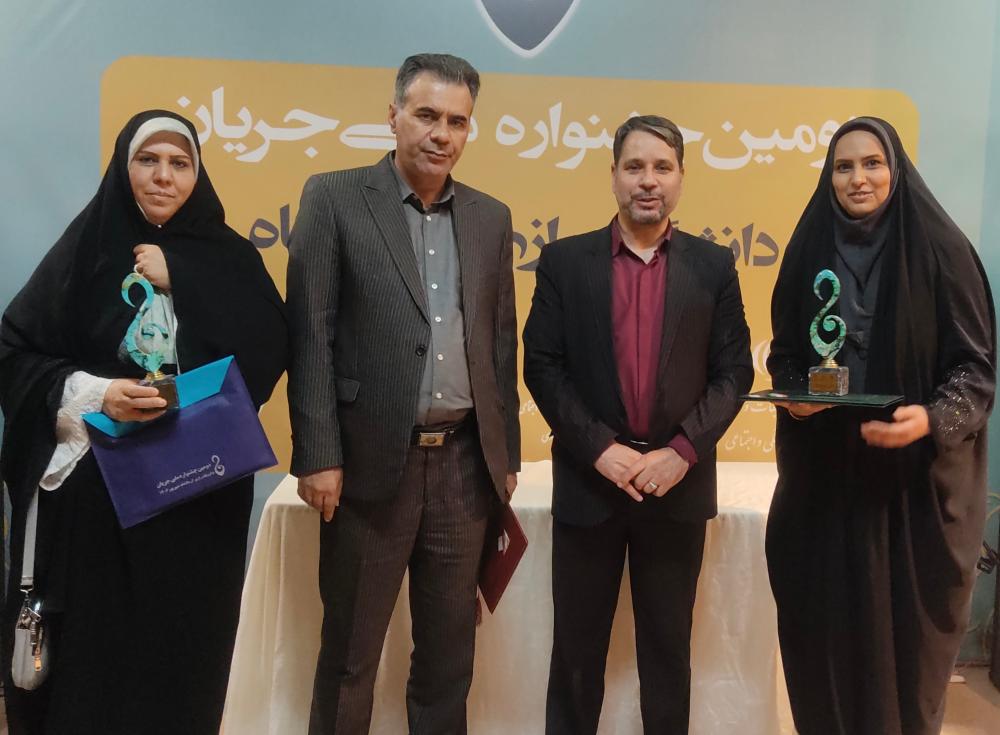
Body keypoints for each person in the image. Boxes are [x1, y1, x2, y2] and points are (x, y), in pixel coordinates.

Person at [0, 109, 288, 735]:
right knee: (94, 662)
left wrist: (183, 278)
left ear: (197, 174)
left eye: (179, 163)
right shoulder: (87, 250)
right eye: (147, 160)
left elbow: (269, 349)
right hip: (99, 499)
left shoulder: (231, 258)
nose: (163, 176)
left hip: (196, 497)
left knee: (180, 658)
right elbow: (16, 352)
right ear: (122, 168)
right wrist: (99, 394)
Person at [286, 53, 520, 734]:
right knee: (350, 658)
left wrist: (504, 455)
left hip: (464, 470)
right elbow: (310, 333)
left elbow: (500, 345)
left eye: (457, 121)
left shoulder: (490, 217)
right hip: (367, 468)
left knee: (448, 660)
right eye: (426, 115)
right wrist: (319, 453)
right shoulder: (333, 198)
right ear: (393, 116)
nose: (441, 134)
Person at [522, 114, 753, 734]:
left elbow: (734, 371)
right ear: (614, 175)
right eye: (634, 167)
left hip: (676, 488)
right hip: (590, 486)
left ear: (680, 177)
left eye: (662, 167)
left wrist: (682, 451)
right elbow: (542, 365)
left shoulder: (713, 265)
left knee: (667, 654)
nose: (648, 180)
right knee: (576, 655)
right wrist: (600, 449)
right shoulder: (565, 261)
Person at [766, 116, 995, 735]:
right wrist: (796, 398)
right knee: (826, 647)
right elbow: (786, 354)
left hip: (911, 496)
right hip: (827, 490)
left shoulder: (941, 250)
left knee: (906, 661)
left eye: (872, 163)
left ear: (896, 169)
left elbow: (975, 370)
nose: (857, 178)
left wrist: (931, 418)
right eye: (843, 166)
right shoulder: (808, 248)